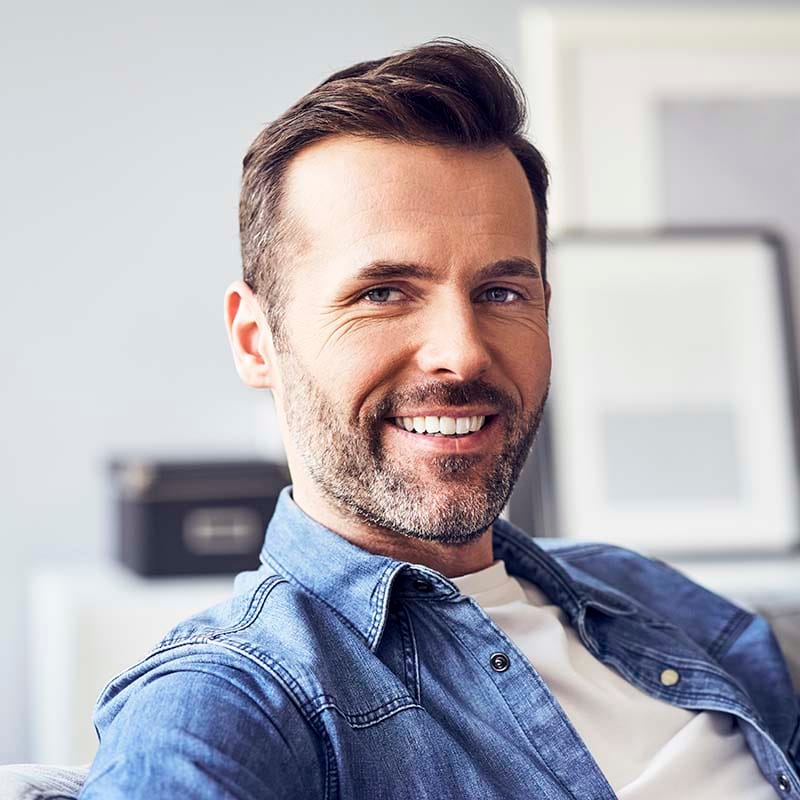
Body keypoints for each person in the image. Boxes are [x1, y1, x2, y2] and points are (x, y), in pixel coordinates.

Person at [77, 39, 799, 799]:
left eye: (502, 293)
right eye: (383, 293)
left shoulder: (632, 587)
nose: (463, 353)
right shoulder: (229, 699)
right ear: (256, 341)